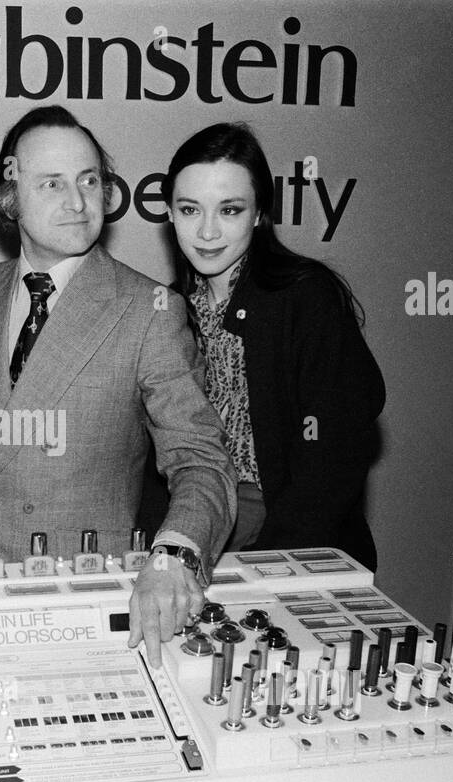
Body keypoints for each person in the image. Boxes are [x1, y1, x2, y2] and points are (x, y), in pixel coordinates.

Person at [0, 105, 235, 667]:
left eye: (90, 181)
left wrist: (171, 559)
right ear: (10, 197)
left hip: (85, 601)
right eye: (52, 183)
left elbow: (202, 460)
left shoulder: (148, 308)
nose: (78, 202)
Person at [160, 122, 385, 567]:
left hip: (293, 539)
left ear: (260, 213)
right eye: (189, 210)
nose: (206, 232)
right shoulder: (167, 308)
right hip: (198, 529)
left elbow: (334, 457)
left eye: (229, 210)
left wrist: (275, 563)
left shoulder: (305, 298)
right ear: (168, 213)